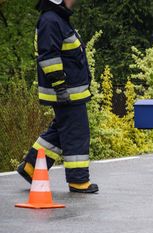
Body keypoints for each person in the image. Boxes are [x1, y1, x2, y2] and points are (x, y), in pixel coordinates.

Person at [17, 0, 98, 193]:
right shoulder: (50, 21)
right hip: (65, 92)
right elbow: (48, 57)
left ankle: (31, 167)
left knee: (61, 132)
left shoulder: (58, 19)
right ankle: (78, 181)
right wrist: (60, 86)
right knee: (76, 133)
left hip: (70, 91)